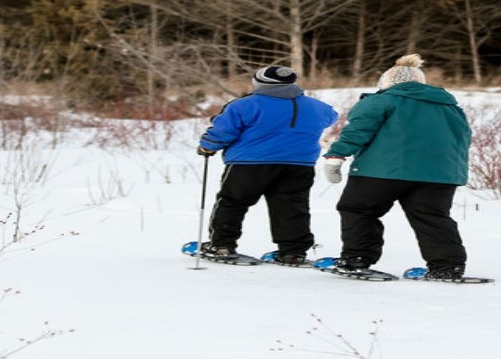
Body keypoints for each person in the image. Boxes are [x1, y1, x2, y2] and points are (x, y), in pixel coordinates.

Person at [321, 54, 472, 278]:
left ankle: (356, 259)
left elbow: (358, 131)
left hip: (382, 171)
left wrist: (336, 156)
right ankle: (447, 266)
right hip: (439, 175)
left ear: (387, 82)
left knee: (358, 209)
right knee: (432, 217)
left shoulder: (381, 100)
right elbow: (462, 140)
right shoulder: (450, 107)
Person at [197, 66, 339, 265]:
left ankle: (222, 245)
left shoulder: (244, 105)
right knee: (292, 207)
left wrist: (207, 147)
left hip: (249, 164)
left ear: (259, 83)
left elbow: (223, 130)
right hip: (299, 164)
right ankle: (292, 252)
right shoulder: (318, 106)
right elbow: (331, 118)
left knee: (232, 203)